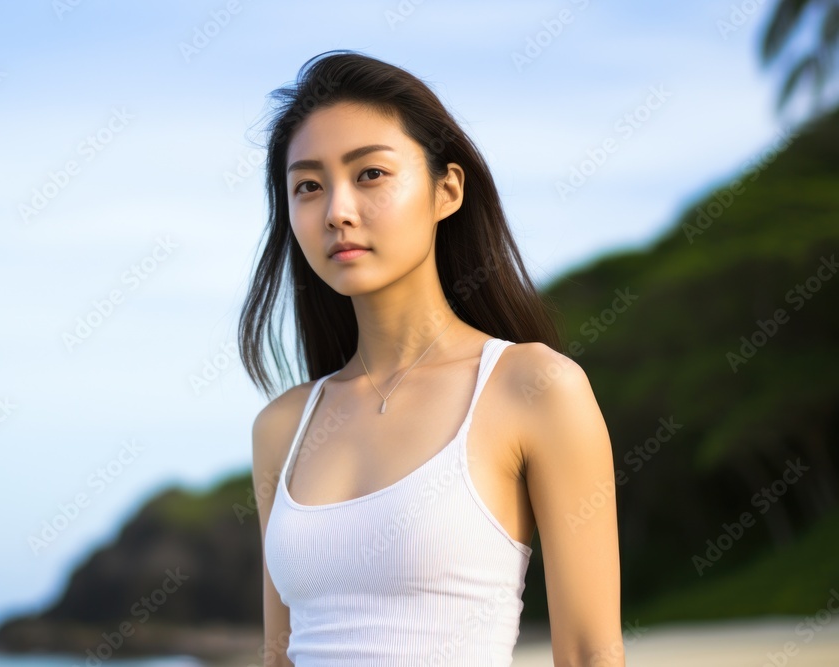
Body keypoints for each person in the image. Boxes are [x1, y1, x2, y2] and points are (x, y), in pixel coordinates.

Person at [240, 49, 624, 666]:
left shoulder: (535, 387)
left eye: (370, 174)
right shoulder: (282, 427)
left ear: (447, 190)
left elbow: (588, 654)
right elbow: (279, 656)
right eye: (308, 186)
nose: (337, 210)